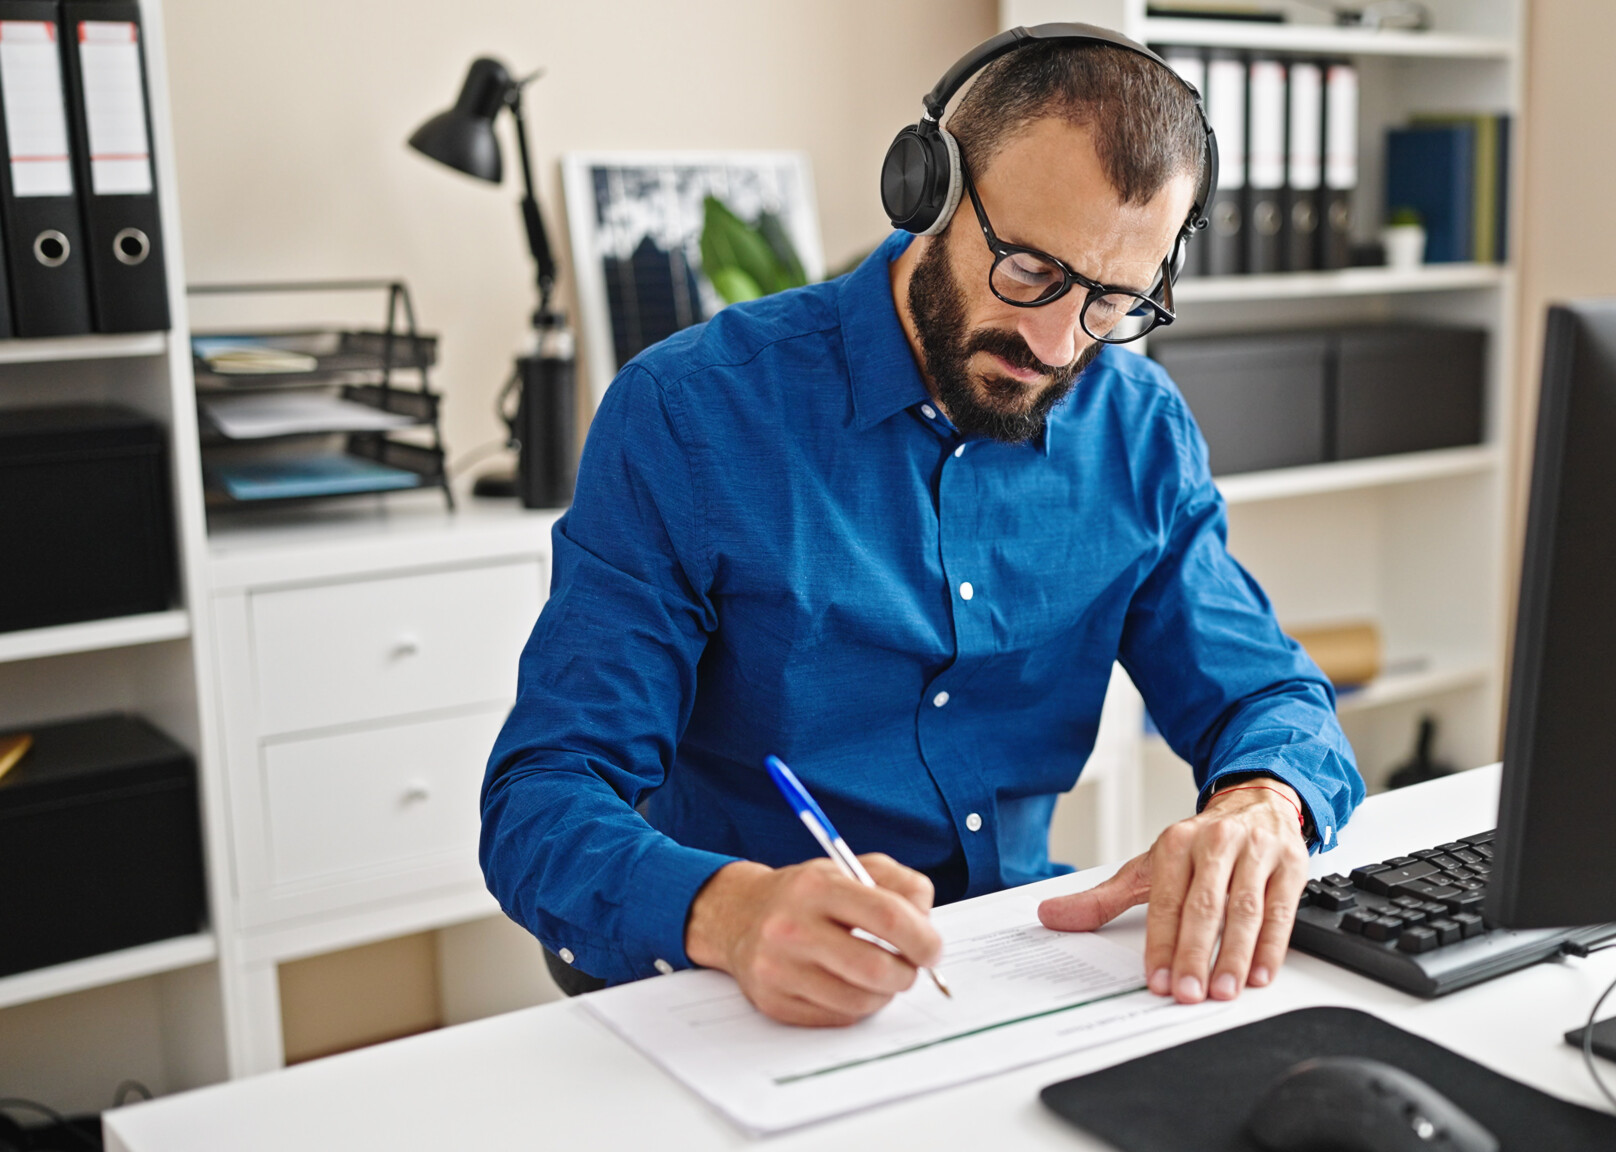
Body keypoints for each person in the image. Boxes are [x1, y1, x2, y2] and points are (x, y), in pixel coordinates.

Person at [481, 27, 1363, 1028]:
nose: (1055, 342)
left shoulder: (1135, 427)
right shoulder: (688, 415)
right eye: (1030, 269)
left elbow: (1269, 693)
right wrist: (725, 912)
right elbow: (542, 800)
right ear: (927, 194)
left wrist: (1260, 804)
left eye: (1113, 299)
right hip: (734, 997)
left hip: (1006, 965)